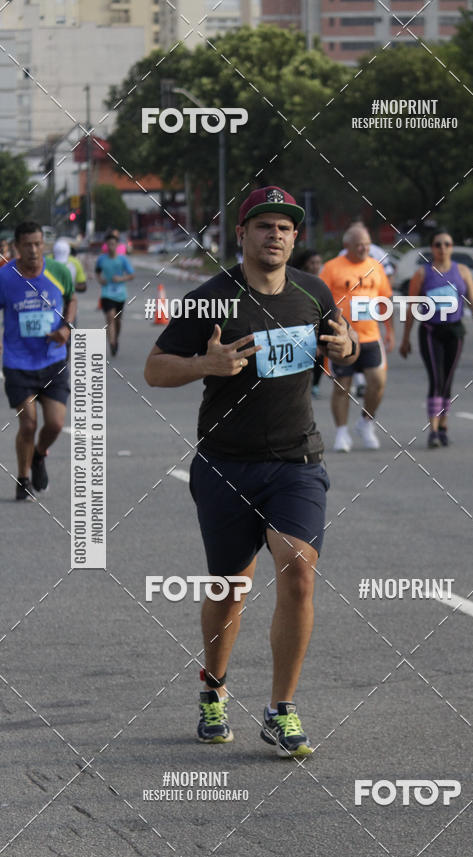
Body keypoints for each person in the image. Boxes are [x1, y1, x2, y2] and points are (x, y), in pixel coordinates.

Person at [144, 186, 357, 757]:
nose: (276, 235)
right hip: (225, 464)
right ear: (241, 235)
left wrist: (350, 344)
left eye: (286, 227)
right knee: (230, 587)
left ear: (296, 237)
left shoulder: (314, 292)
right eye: (264, 225)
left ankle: (280, 709)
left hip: (296, 460)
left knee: (298, 569)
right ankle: (213, 688)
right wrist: (204, 364)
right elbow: (154, 369)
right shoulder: (209, 299)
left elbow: (348, 344)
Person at [0, 221, 76, 499]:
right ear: (17, 248)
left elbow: (72, 299)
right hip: (18, 362)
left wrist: (66, 327)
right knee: (29, 422)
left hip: (53, 359)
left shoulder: (58, 271)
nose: (33, 250)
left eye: (38, 243)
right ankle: (23, 480)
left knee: (55, 423)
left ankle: (39, 455)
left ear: (43, 243)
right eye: (27, 245)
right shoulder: (5, 277)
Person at [399, 230, 473, 447]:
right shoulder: (422, 274)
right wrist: (405, 339)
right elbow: (411, 308)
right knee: (436, 379)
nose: (442, 249)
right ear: (432, 248)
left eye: (447, 244)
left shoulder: (463, 271)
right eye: (438, 244)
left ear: (452, 247)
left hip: (454, 332)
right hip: (431, 332)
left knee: (447, 380)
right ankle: (433, 429)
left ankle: (443, 424)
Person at [319, 223, 393, 451]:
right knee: (343, 386)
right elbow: (319, 302)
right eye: (359, 245)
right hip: (342, 338)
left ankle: (365, 422)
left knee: (377, 383)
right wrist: (320, 336)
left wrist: (389, 331)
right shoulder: (332, 268)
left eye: (367, 245)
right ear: (347, 245)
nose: (363, 249)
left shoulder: (376, 267)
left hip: (371, 336)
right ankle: (342, 432)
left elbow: (385, 299)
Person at [291, 248, 325, 396]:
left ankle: (315, 385)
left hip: (320, 326)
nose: (316, 266)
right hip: (301, 328)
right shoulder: (297, 282)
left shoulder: (323, 282)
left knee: (319, 359)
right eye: (312, 263)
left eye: (318, 262)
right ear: (305, 264)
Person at [95, 230, 134, 356]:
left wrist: (121, 279)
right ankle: (111, 343)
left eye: (113, 244)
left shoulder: (122, 260)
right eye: (109, 244)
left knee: (117, 320)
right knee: (110, 317)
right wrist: (100, 280)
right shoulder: (101, 259)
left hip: (120, 294)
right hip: (106, 293)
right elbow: (97, 272)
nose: (111, 246)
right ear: (106, 245)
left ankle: (115, 339)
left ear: (117, 245)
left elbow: (131, 275)